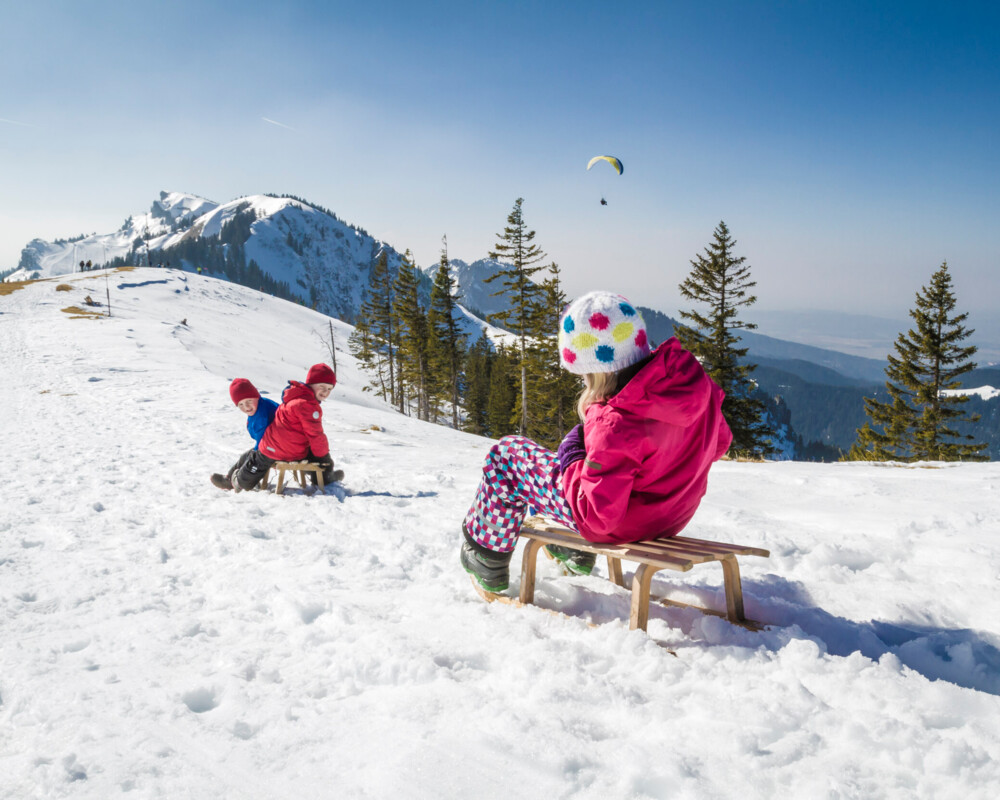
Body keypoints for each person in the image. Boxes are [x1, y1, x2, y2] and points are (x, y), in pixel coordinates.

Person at [460, 291, 733, 593]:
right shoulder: (693, 388)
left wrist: (572, 455)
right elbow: (720, 443)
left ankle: (485, 555)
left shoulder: (615, 421)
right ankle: (573, 551)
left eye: (583, 375)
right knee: (566, 466)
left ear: (596, 370)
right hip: (672, 515)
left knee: (508, 455)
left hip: (622, 524)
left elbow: (595, 515)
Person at [231, 363, 343, 491]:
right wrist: (326, 459)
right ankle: (326, 477)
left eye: (329, 389)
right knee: (318, 454)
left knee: (258, 459)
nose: (325, 392)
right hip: (290, 450)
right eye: (322, 387)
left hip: (272, 447)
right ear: (310, 384)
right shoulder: (307, 405)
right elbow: (315, 435)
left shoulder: (294, 397)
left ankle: (240, 481)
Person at [210, 378, 279, 491]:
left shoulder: (262, 414)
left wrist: (256, 452)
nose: (246, 407)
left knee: (252, 459)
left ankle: (240, 482)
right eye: (241, 404)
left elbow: (263, 441)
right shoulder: (260, 405)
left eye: (248, 401)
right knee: (246, 456)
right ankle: (229, 479)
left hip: (276, 448)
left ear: (256, 396)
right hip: (273, 445)